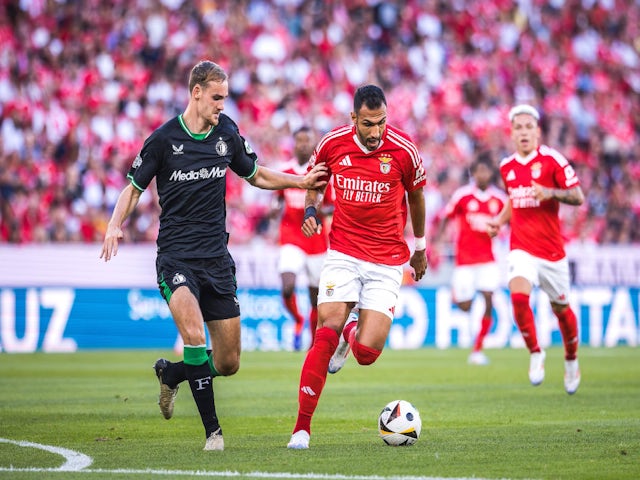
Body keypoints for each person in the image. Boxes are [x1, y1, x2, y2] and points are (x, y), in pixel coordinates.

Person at [100, 60, 326, 451]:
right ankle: (213, 433)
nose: (223, 104)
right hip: (176, 259)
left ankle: (171, 374)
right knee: (192, 335)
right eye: (217, 97)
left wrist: (300, 181)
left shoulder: (227, 133)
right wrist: (114, 224)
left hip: (217, 261)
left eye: (226, 97)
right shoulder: (163, 140)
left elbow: (256, 174)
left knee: (227, 363)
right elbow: (133, 188)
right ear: (197, 93)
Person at [287, 84, 428, 449]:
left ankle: (352, 331)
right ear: (354, 118)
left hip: (386, 260)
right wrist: (310, 209)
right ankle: (301, 429)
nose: (375, 131)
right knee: (324, 329)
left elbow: (416, 196)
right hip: (344, 252)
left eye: (381, 122)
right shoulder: (332, 143)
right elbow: (314, 181)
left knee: (366, 354)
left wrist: (421, 246)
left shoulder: (404, 150)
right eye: (368, 124)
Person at [487, 104, 584, 395]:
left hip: (552, 252)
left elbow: (578, 196)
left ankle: (571, 360)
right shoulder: (507, 166)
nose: (524, 132)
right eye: (519, 128)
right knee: (518, 298)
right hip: (522, 248)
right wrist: (500, 222)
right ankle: (535, 352)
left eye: (529, 127)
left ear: (538, 132)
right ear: (512, 133)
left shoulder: (553, 160)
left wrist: (551, 192)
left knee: (562, 310)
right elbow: (513, 201)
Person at [432, 153, 507, 365]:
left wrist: (500, 232)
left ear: (491, 173)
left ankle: (478, 348)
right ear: (473, 173)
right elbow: (446, 217)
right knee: (465, 306)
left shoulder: (499, 199)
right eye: (478, 170)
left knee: (489, 298)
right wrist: (437, 243)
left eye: (486, 170)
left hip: (488, 259)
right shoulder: (463, 196)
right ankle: (459, 296)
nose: (482, 174)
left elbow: (508, 223)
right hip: (464, 260)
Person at [271, 126, 334, 350]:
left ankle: (311, 343)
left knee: (316, 298)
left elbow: (332, 206)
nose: (303, 144)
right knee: (288, 286)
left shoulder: (322, 174)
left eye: (308, 140)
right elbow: (278, 198)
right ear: (294, 143)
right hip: (291, 237)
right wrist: (275, 208)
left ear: (313, 144)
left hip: (316, 241)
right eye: (299, 140)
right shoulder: (285, 171)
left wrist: (318, 212)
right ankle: (298, 320)